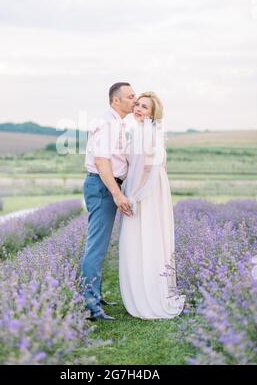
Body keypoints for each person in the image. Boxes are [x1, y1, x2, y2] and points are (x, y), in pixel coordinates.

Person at [119, 92, 186, 319]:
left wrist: (131, 197)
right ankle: (148, 290)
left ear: (152, 113)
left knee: (143, 239)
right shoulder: (146, 132)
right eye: (137, 104)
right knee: (149, 238)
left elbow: (144, 171)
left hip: (145, 194)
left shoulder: (146, 133)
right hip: (151, 191)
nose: (138, 109)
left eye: (144, 107)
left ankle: (147, 295)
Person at [80, 82, 136, 321]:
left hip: (106, 186)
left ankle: (96, 296)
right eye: (130, 96)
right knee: (97, 246)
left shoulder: (117, 123)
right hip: (103, 187)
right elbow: (102, 162)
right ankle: (90, 306)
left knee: (100, 247)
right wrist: (116, 193)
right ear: (116, 101)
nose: (135, 99)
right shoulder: (107, 125)